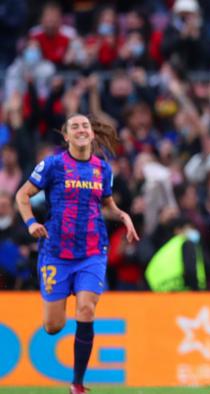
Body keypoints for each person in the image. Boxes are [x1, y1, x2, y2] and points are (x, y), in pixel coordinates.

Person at [15, 114, 139, 394]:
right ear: (66, 136)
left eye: (85, 126)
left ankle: (77, 384)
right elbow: (22, 195)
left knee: (86, 309)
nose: (81, 130)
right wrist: (31, 222)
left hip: (92, 251)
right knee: (53, 326)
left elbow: (106, 204)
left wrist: (123, 216)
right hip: (56, 252)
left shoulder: (102, 169)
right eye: (75, 127)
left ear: (92, 135)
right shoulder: (53, 165)